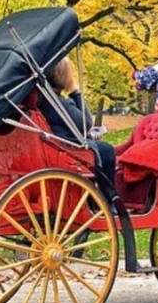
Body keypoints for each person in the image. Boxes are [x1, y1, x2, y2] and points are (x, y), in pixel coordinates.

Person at [39, 57, 118, 208]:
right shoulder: (59, 104)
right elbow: (86, 123)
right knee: (106, 150)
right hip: (66, 151)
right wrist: (75, 91)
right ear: (63, 76)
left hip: (55, 145)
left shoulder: (44, 100)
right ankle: (108, 203)